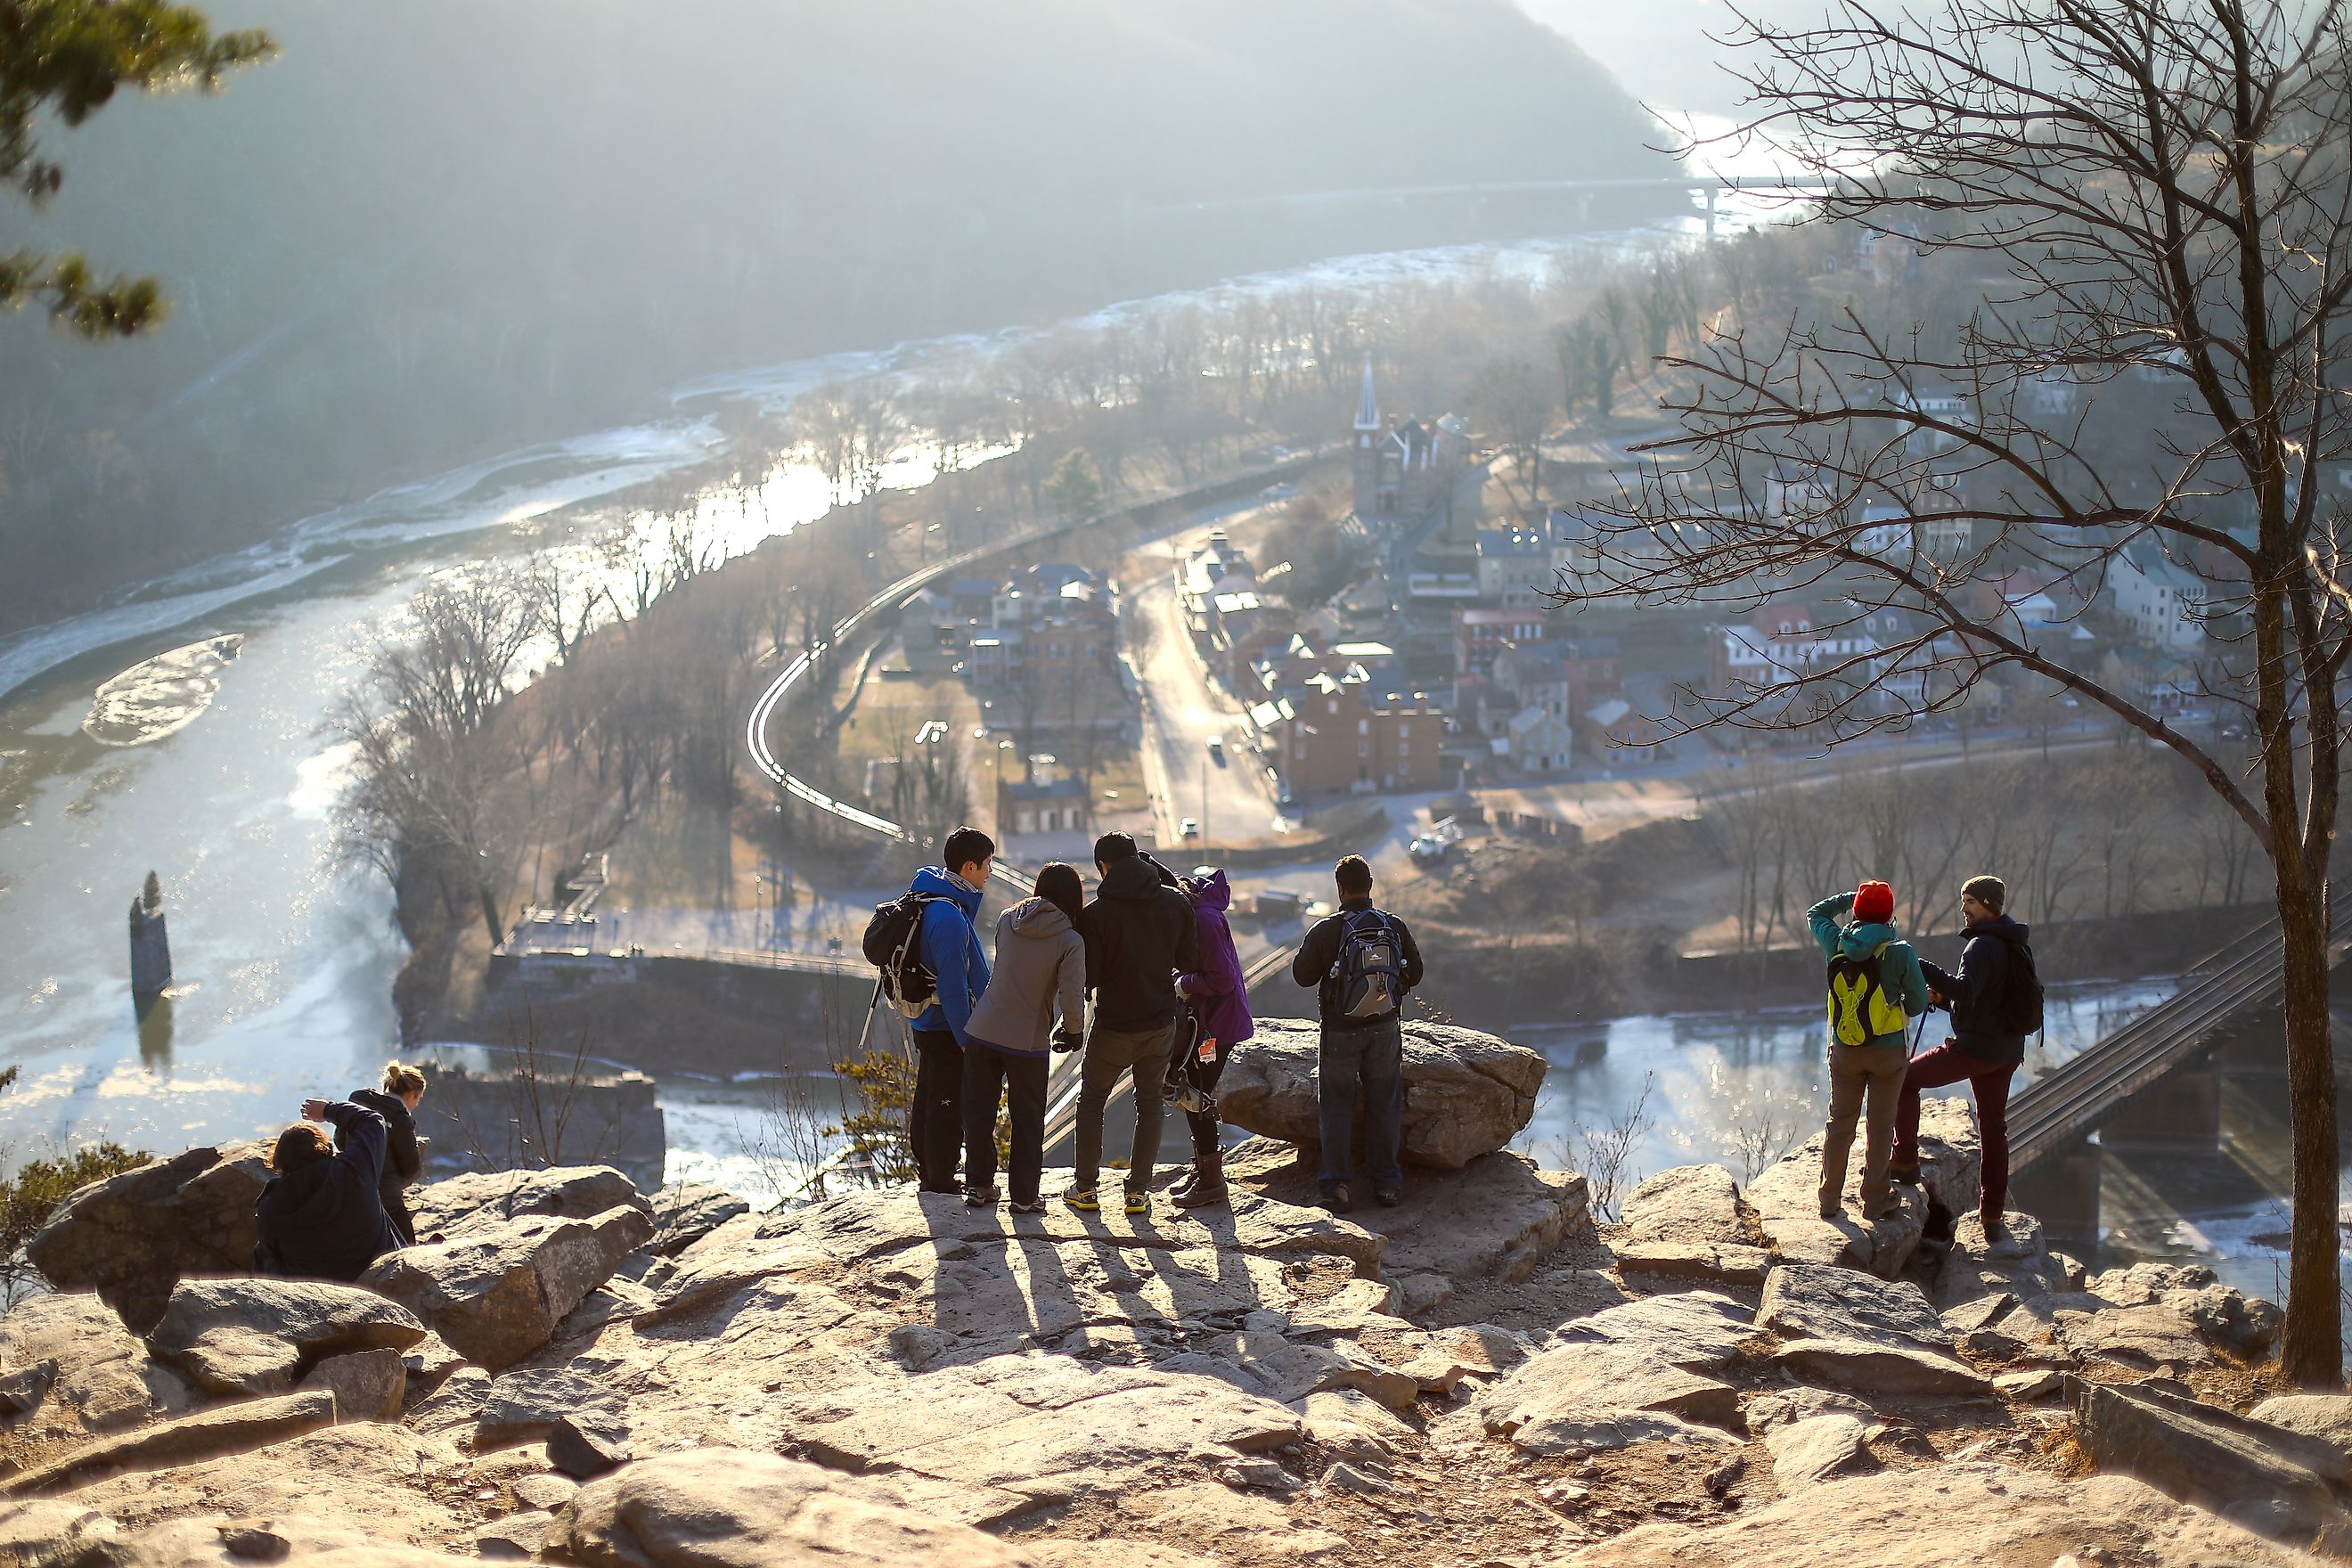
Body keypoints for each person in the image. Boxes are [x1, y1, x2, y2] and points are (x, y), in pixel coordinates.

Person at [1892, 874, 2035, 1236]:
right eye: (1963, 902)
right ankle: (1992, 1215)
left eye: (1970, 902)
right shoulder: (2013, 942)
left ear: (1988, 904)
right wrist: (1946, 1001)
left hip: (1977, 1049)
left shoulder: (1980, 946)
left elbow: (1966, 991)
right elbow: (1986, 997)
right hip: (2006, 1050)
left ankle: (1905, 1162)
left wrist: (1918, 964)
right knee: (1993, 1129)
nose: (1964, 909)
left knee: (1904, 1079)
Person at [1070, 832, 1199, 1215]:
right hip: (1160, 1023)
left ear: (1103, 867)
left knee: (1092, 1101)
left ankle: (1087, 1189)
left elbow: (1087, 977)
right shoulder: (1175, 903)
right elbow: (1190, 960)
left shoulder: (1095, 915)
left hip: (1113, 1025)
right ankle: (1138, 1192)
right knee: (1149, 1105)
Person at [1290, 853, 1423, 1213]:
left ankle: (1337, 1187)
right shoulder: (1392, 925)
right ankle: (1387, 1185)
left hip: (1340, 1031)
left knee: (1336, 1106)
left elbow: (1302, 976)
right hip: (1384, 1028)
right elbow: (1417, 972)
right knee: (1385, 1103)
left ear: (1340, 888)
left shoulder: (1328, 930)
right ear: (1370, 886)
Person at [961, 862, 1087, 1213]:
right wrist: (1073, 1031)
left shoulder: (1007, 919)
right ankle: (1024, 1197)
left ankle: (978, 1186)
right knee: (1027, 1119)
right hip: (1027, 1039)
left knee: (979, 1113)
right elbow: (1071, 994)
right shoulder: (1070, 940)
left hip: (983, 1029)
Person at [1807, 880, 1930, 1221]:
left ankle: (1829, 1199)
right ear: (1890, 915)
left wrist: (1850, 898)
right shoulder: (1901, 952)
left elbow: (1815, 912)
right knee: (1880, 1125)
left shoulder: (1836, 943)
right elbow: (1918, 1003)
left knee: (1840, 1123)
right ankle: (1875, 1202)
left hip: (1845, 1050)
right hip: (1888, 1053)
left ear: (1858, 911)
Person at [906, 826, 995, 1195]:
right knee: (946, 1100)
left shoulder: (932, 898)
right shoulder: (948, 919)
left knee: (929, 1091)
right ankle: (940, 1177)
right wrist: (966, 1039)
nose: (991, 871)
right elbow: (954, 987)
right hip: (945, 1024)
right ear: (970, 866)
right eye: (988, 863)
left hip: (927, 1019)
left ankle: (929, 1168)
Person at [1164, 866, 1253, 1210]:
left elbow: (1221, 979)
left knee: (1195, 1094)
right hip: (1209, 1021)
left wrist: (1184, 984)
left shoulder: (1203, 921)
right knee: (1193, 1091)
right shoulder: (1200, 913)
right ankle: (1203, 1169)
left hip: (1215, 1026)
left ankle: (1212, 1182)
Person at [253, 1098, 403, 1281]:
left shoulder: (271, 1204)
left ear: (279, 1160)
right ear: (324, 1148)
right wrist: (328, 1110)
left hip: (316, 1290)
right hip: (376, 1275)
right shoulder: (354, 1171)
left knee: (263, 1251)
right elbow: (371, 1120)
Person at [348, 1061, 428, 1245]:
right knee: (407, 1245)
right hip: (385, 1195)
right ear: (410, 1096)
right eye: (418, 1099)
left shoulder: (359, 1101)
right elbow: (411, 1167)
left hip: (349, 1186)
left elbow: (340, 1141)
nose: (416, 1104)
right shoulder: (401, 1120)